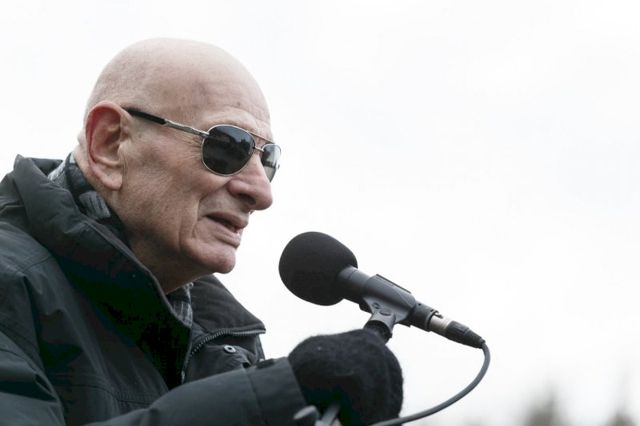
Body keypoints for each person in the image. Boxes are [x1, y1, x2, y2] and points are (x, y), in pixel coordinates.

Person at [0, 38, 402, 425]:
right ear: (111, 144)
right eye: (228, 146)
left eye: (267, 160)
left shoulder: (226, 340)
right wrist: (269, 402)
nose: (261, 193)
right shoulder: (11, 283)